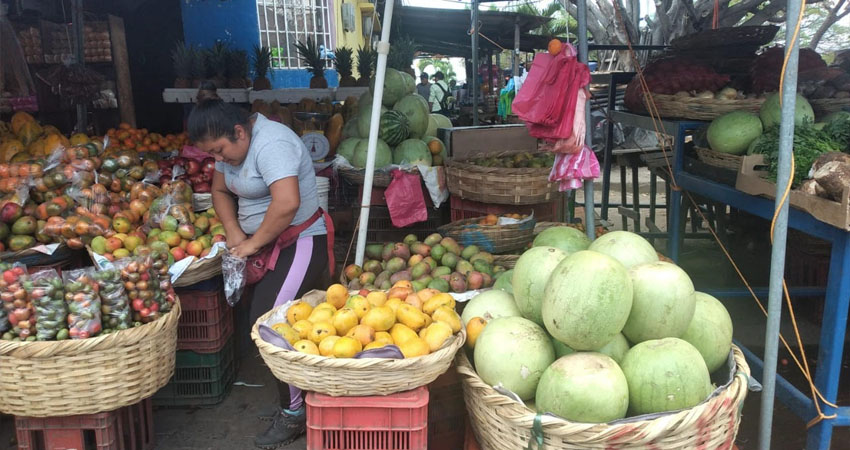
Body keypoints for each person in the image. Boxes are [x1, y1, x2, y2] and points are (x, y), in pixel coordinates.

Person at [188, 99, 332, 449]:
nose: (218, 160)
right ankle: (303, 399)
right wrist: (236, 233)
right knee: (277, 324)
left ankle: (295, 414)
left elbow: (287, 204)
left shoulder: (272, 143)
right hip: (263, 244)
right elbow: (219, 191)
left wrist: (252, 245)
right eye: (212, 155)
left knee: (270, 327)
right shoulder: (232, 149)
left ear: (240, 131)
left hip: (300, 241)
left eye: (220, 151)